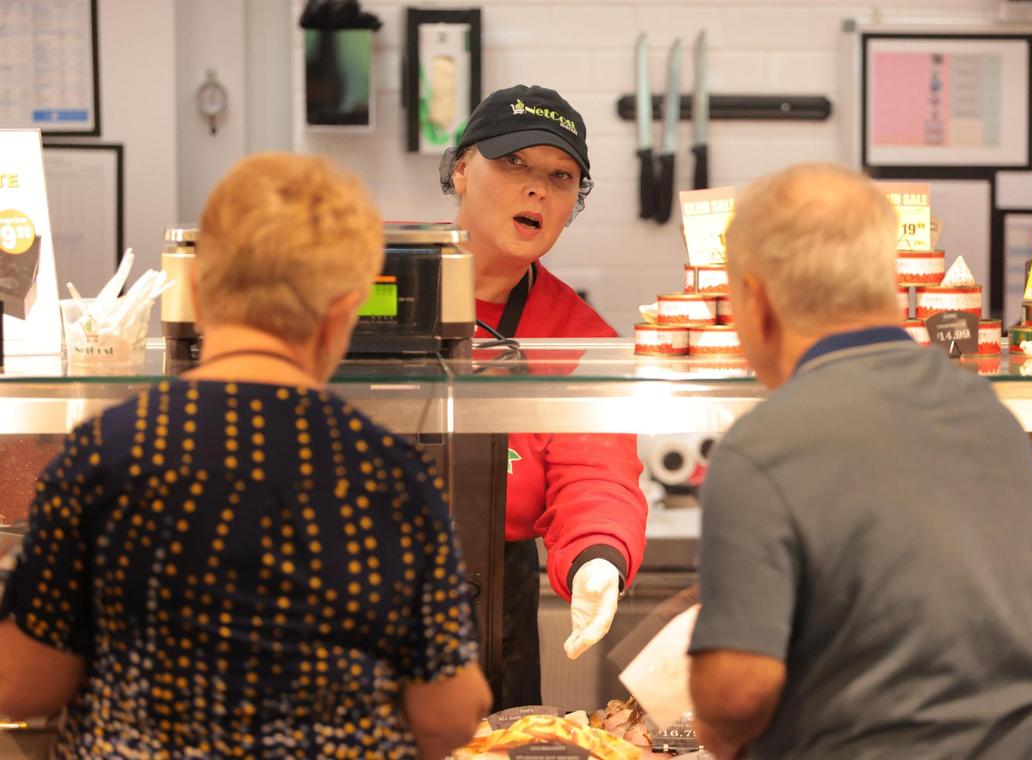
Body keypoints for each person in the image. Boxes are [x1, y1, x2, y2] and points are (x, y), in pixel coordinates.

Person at [0, 153, 491, 758]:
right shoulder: (393, 475)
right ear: (343, 315)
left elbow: (24, 685)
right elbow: (448, 716)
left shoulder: (102, 454)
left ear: (196, 292)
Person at [688, 163, 1032, 759]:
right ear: (887, 282)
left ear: (757, 301)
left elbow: (737, 695)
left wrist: (710, 713)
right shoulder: (993, 419)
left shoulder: (761, 448)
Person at [439, 84, 648, 706]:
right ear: (461, 171)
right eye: (514, 163)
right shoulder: (378, 283)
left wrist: (598, 557)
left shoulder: (578, 336)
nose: (538, 189)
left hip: (494, 599)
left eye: (561, 176)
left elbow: (596, 473)